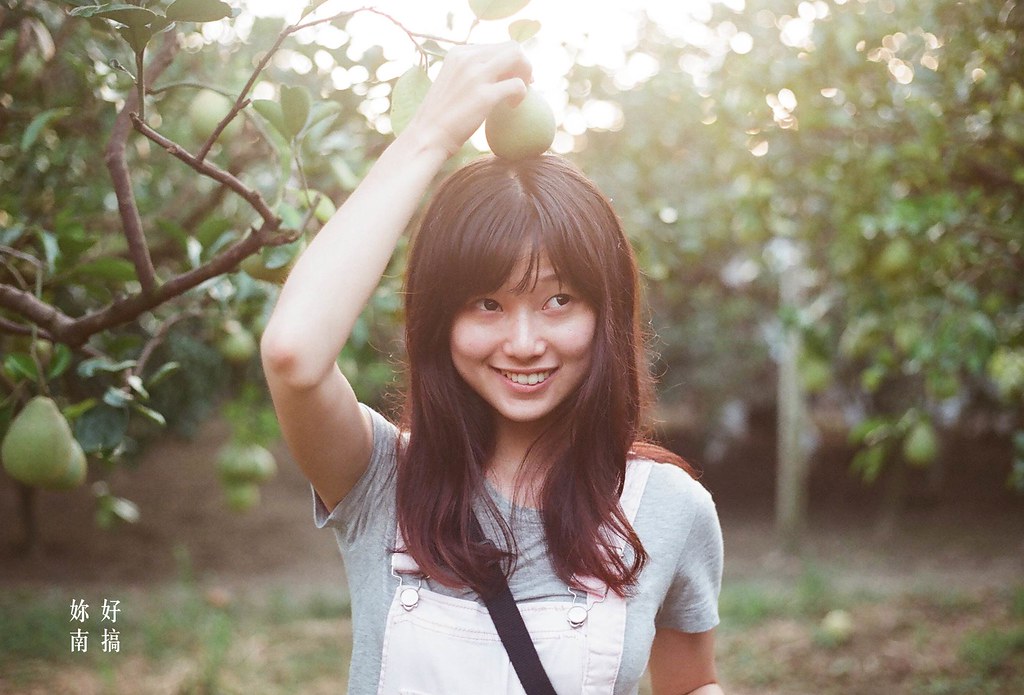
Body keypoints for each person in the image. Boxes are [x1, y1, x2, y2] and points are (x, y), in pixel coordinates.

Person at [261, 42, 724, 695]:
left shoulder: (668, 508)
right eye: (487, 303)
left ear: (607, 313)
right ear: (441, 320)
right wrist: (431, 134)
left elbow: (690, 685)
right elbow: (292, 353)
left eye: (559, 299)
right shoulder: (381, 483)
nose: (525, 341)